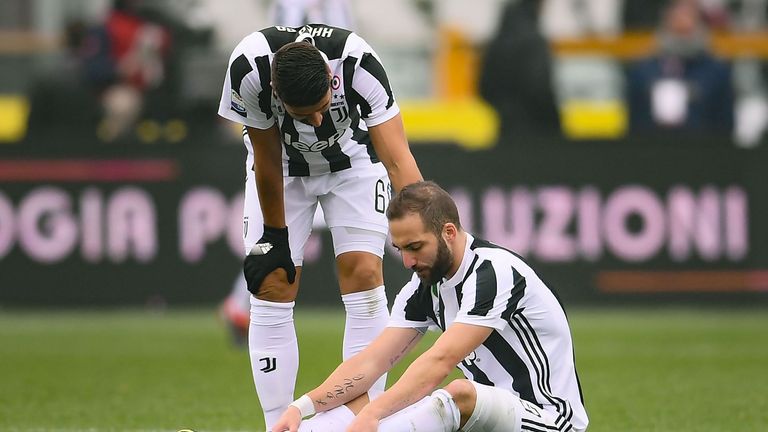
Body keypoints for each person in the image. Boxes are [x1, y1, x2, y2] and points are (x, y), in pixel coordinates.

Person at [217, 23, 423, 430]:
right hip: (283, 170)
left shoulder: (358, 62)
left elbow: (397, 157)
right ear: (277, 94)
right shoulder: (248, 70)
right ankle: (276, 425)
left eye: (322, 105)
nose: (315, 119)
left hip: (354, 164)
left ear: (331, 78)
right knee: (272, 281)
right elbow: (267, 156)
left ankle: (362, 419)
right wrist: (274, 236)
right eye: (301, 113)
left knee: (364, 271)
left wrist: (423, 228)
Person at [272, 181, 588, 432]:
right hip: (483, 422)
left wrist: (374, 416)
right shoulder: (424, 287)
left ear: (448, 232)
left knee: (458, 395)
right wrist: (303, 407)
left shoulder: (494, 273)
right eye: (400, 250)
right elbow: (371, 362)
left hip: (549, 421)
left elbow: (440, 361)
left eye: (415, 247)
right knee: (356, 407)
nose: (408, 261)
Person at [626, 0, 734, 135]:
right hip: (653, 148)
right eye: (677, 15)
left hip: (702, 149)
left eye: (689, 16)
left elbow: (725, 125)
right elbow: (634, 124)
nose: (683, 21)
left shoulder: (716, 71)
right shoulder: (643, 71)